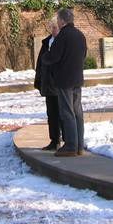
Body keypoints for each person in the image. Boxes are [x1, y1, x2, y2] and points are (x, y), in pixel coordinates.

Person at [41, 8, 87, 157]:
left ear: (62, 20)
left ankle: (71, 146)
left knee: (67, 112)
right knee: (77, 112)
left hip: (64, 80)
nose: (58, 23)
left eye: (58, 20)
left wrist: (44, 58)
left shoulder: (63, 36)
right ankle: (79, 145)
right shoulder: (80, 35)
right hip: (77, 78)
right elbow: (84, 55)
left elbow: (53, 56)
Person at [34, 19, 63, 151]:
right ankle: (54, 140)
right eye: (52, 27)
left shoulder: (63, 42)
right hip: (48, 83)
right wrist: (39, 80)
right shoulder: (47, 42)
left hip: (59, 84)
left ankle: (65, 139)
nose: (54, 30)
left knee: (61, 113)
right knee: (51, 113)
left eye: (56, 27)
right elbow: (40, 62)